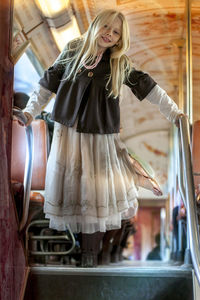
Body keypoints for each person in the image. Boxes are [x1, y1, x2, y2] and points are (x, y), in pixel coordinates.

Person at [21, 9, 183, 266]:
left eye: (116, 31)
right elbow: (46, 84)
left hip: (98, 139)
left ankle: (89, 255)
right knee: (72, 193)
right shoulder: (72, 50)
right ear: (95, 25)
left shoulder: (120, 63)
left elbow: (150, 88)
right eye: (106, 27)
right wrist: (29, 113)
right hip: (69, 136)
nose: (109, 33)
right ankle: (70, 252)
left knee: (94, 195)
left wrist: (175, 114)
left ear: (120, 38)